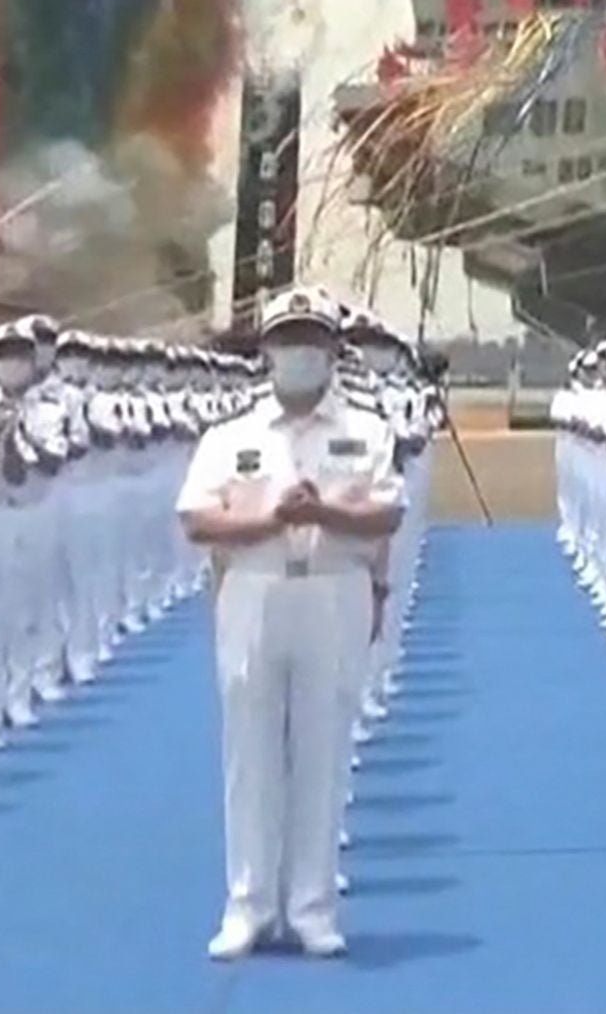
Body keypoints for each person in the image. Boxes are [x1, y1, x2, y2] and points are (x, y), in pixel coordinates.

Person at [177, 289, 405, 960]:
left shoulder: (368, 430)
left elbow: (387, 515)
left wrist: (324, 516)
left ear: (333, 351)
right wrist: (271, 522)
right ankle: (246, 904)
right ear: (267, 352)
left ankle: (311, 907)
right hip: (254, 589)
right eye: (288, 340)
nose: (300, 353)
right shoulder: (232, 435)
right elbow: (197, 518)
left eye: (312, 340)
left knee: (322, 750)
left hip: (334, 591)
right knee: (249, 752)